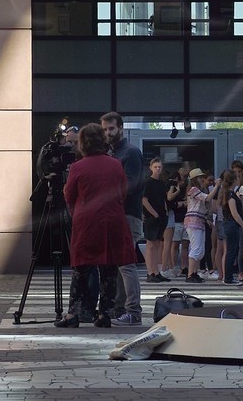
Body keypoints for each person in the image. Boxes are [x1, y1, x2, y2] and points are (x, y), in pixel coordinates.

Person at [58, 123, 140, 328]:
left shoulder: (78, 166)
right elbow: (122, 192)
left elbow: (69, 196)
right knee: (109, 268)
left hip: (87, 222)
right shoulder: (115, 164)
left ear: (83, 143)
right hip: (113, 221)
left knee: (81, 269)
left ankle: (74, 314)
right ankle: (105, 314)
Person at [100, 112, 145, 325]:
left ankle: (133, 311)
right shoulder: (112, 154)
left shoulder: (131, 153)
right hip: (118, 214)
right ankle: (121, 309)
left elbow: (130, 185)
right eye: (105, 130)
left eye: (111, 129)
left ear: (121, 128)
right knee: (119, 263)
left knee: (125, 263)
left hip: (128, 214)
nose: (108, 133)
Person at [141, 157, 169, 283]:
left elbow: (164, 199)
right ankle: (150, 272)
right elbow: (144, 200)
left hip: (162, 216)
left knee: (157, 244)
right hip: (152, 217)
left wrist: (164, 211)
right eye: (155, 167)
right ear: (151, 168)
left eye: (159, 167)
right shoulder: (148, 182)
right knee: (150, 244)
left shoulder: (161, 183)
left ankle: (156, 271)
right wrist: (154, 213)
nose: (158, 169)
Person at [183, 169, 213, 282]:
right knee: (196, 248)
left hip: (198, 220)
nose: (202, 179)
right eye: (200, 177)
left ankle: (194, 272)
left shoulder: (196, 190)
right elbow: (208, 198)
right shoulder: (193, 190)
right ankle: (191, 274)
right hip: (193, 221)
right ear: (195, 179)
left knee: (200, 249)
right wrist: (216, 187)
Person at [220, 168, 243, 285]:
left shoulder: (229, 193)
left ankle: (228, 277)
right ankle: (228, 277)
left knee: (232, 250)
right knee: (231, 251)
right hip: (232, 224)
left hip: (229, 224)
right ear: (234, 180)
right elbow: (234, 212)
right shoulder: (230, 195)